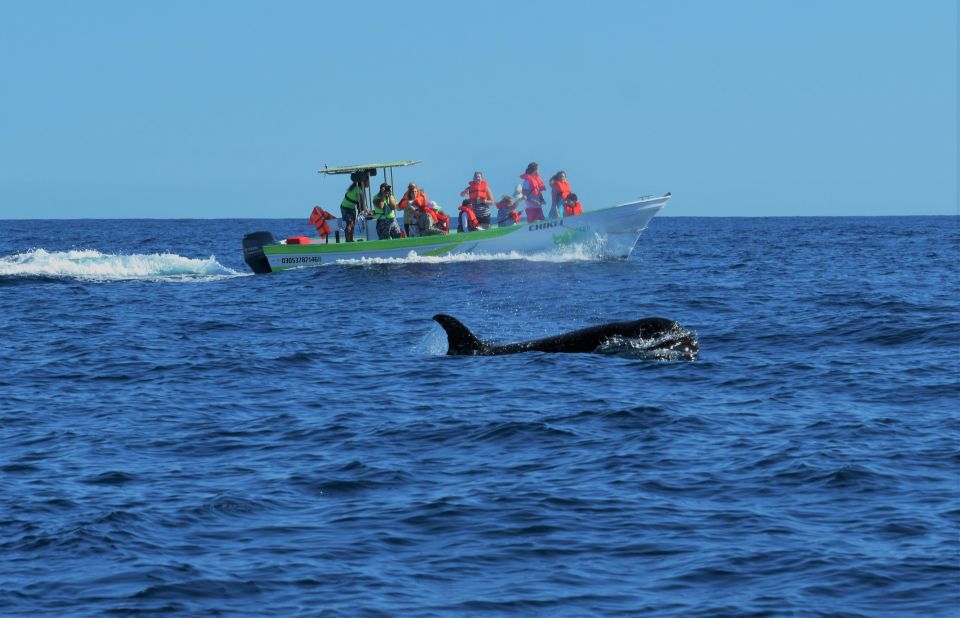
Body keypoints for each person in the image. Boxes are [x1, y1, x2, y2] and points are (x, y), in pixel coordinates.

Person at [340, 171, 369, 242]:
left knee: (352, 224)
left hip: (352, 208)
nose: (369, 183)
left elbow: (362, 204)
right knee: (349, 224)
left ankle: (351, 239)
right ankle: (348, 240)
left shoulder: (359, 189)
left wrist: (367, 211)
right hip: (345, 207)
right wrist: (368, 211)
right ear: (364, 182)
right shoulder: (358, 190)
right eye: (368, 181)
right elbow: (362, 204)